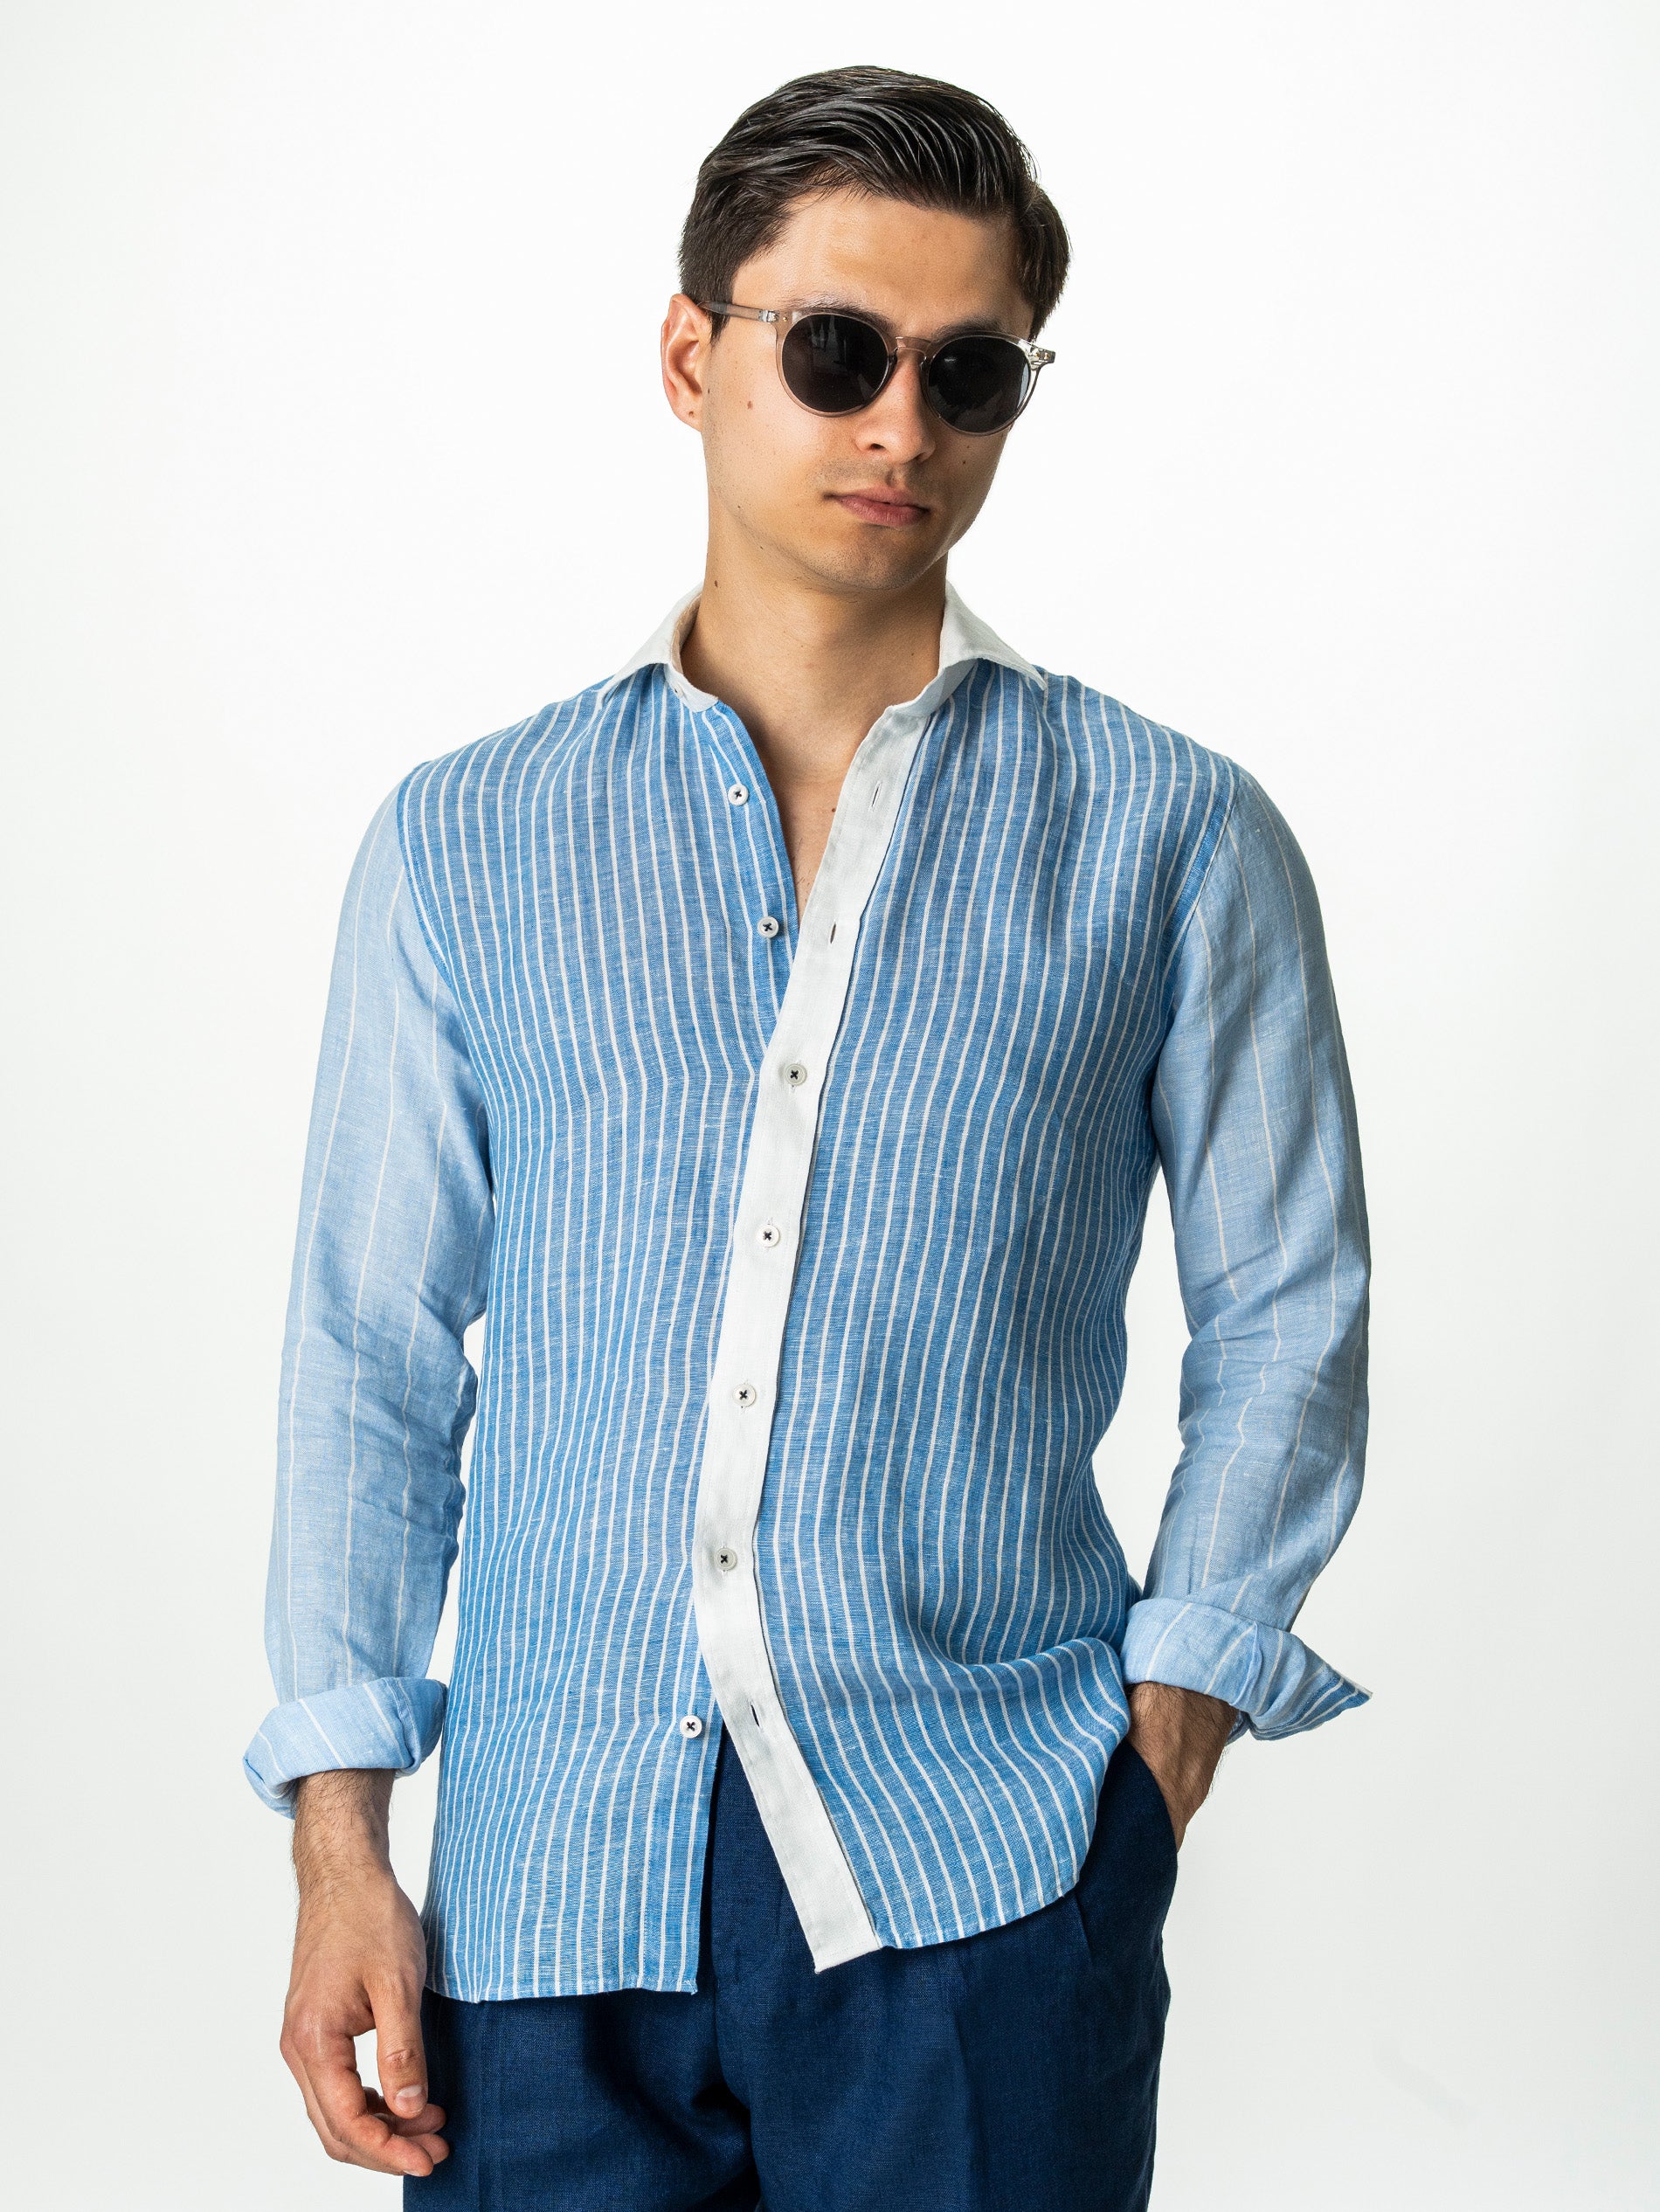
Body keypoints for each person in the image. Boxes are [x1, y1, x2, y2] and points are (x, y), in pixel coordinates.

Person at [245, 64, 1371, 2212]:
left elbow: (1286, 1310)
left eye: (970, 375)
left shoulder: (1170, 837)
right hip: (545, 1896)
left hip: (981, 1871)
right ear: (692, 356)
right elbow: (367, 1354)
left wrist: (1162, 1742)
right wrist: (342, 1839)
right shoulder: (468, 840)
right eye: (837, 352)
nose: (899, 426)